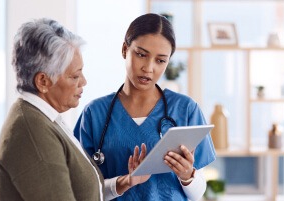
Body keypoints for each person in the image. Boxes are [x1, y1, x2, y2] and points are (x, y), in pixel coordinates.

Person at [0, 18, 149, 201]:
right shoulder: (33, 133)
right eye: (75, 76)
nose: (83, 82)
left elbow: (80, 191)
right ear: (43, 81)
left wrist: (125, 182)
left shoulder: (42, 119)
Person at [74, 13, 216, 201]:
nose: (148, 68)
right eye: (141, 55)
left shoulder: (186, 110)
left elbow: (199, 192)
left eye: (160, 60)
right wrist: (124, 182)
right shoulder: (94, 114)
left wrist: (187, 175)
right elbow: (83, 189)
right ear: (125, 49)